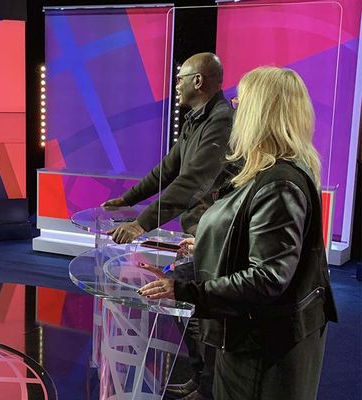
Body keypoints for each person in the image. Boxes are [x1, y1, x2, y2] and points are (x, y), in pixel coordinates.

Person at [138, 67, 338, 400]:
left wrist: (184, 291)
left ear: (260, 113)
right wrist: (208, 244)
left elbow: (268, 278)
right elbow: (255, 238)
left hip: (261, 348)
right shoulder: (272, 172)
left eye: (240, 102)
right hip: (255, 338)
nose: (234, 109)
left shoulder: (280, 182)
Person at [103, 52, 234, 400]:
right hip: (197, 234)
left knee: (199, 311)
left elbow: (192, 180)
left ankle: (208, 387)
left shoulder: (222, 120)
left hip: (215, 237)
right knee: (186, 309)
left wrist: (141, 225)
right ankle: (200, 379)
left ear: (198, 81)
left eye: (181, 78)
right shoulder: (195, 120)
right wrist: (129, 199)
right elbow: (168, 169)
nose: (175, 84)